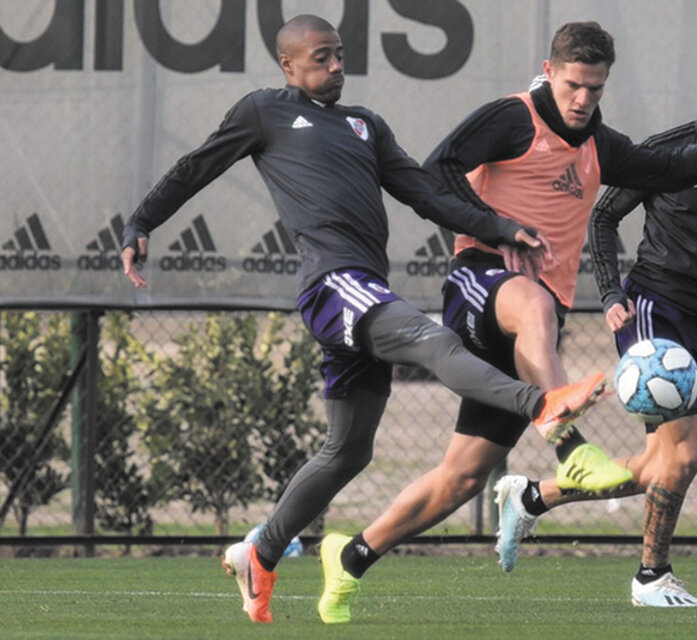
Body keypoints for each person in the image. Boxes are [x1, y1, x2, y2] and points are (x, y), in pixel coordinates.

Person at [120, 14, 616, 624]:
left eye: (339, 55)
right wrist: (141, 223)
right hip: (334, 285)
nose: (335, 66)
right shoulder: (264, 112)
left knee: (348, 450)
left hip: (365, 290)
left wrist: (498, 226)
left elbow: (425, 192)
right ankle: (541, 405)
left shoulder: (365, 126)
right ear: (289, 66)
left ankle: (261, 550)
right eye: (321, 57)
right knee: (429, 338)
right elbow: (195, 166)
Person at [316, 23, 697, 623]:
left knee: (463, 477)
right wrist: (494, 227)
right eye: (573, 85)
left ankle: (350, 556)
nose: (583, 99)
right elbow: (434, 172)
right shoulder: (513, 118)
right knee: (535, 304)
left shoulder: (600, 145)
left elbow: (673, 169)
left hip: (533, 326)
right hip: (481, 283)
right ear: (550, 69)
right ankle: (569, 446)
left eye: (595, 88)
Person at [493, 34, 697, 608]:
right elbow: (605, 215)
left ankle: (532, 498)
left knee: (670, 462)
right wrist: (611, 292)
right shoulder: (671, 151)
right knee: (683, 455)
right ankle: (650, 577)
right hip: (651, 308)